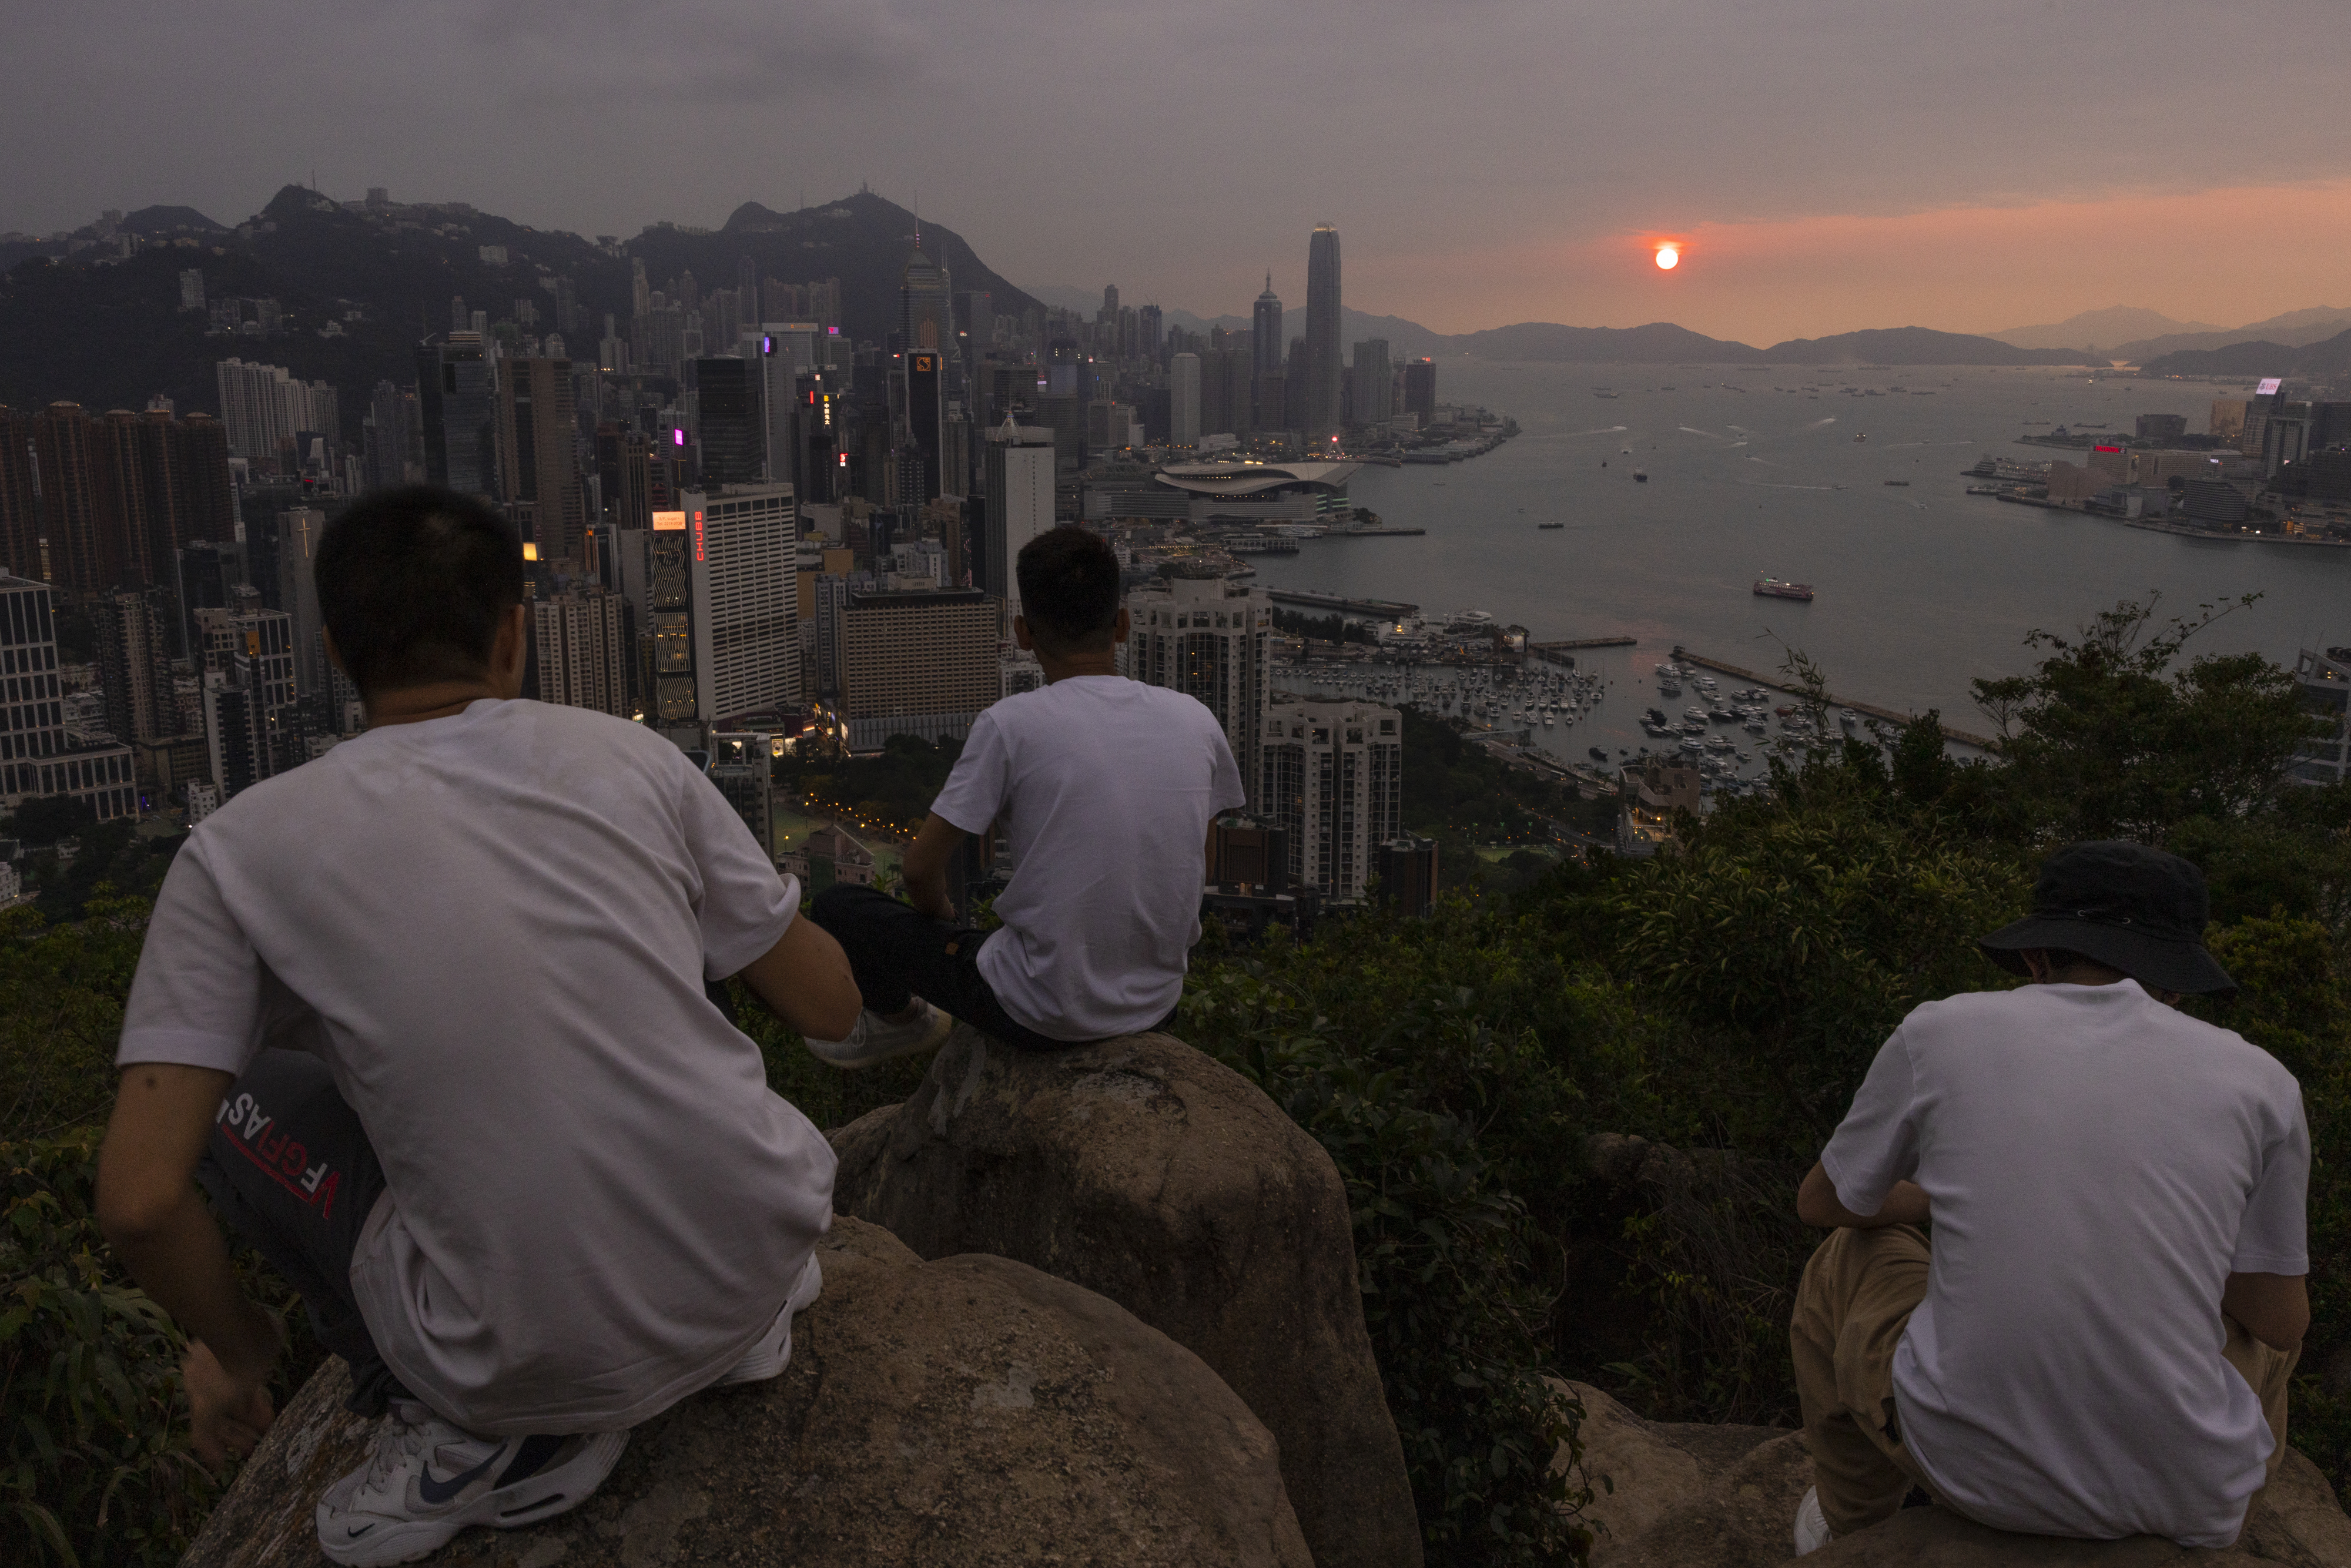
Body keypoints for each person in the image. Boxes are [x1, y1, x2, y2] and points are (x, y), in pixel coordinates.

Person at [95, 487, 860, 1567]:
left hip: (526, 1359)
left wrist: (243, 1348)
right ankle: (719, 1315)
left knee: (235, 1096)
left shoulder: (240, 847)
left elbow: (136, 1197)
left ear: (333, 650)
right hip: (759, 1258)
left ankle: (484, 1427)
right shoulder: (635, 759)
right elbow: (829, 1005)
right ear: (515, 633)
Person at [1789, 840, 2308, 1554]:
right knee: (2271, 1331)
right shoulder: (2263, 1083)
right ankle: (2207, 1511)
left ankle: (1853, 1525)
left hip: (1969, 1471)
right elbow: (2280, 1321)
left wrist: (1934, 1200)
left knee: (1844, 1259)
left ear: (2036, 958)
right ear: (2176, 981)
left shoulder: (1939, 1031)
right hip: (2186, 1499)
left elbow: (1822, 1203)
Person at [803, 524, 1245, 1066]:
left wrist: (942, 920)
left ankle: (901, 1022)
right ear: (1123, 625)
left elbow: (919, 871)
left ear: (1022, 633)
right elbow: (1202, 861)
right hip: (1158, 1002)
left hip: (1037, 1012)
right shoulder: (1195, 720)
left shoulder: (1012, 724)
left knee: (837, 907)